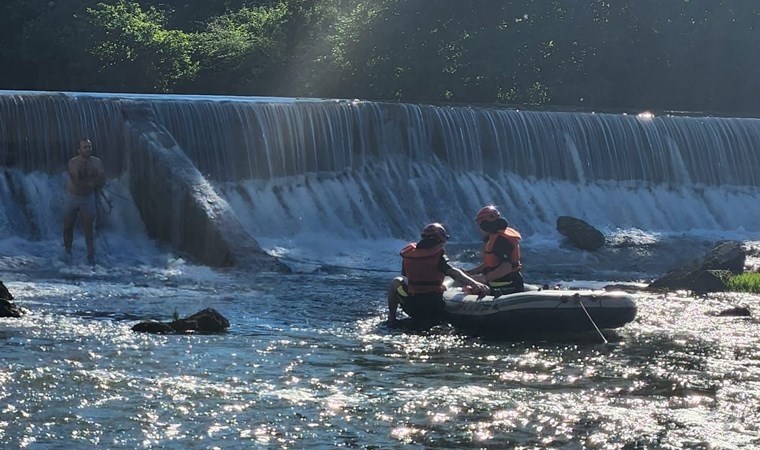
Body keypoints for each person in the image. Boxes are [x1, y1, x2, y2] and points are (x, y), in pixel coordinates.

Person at [387, 223, 489, 325]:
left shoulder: (409, 254)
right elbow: (453, 272)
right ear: (440, 239)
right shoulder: (438, 255)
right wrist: (475, 284)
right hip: (434, 306)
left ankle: (392, 318)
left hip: (411, 306)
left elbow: (406, 276)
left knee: (396, 281)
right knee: (444, 285)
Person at [63, 138, 105, 264]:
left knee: (89, 228)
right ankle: (68, 252)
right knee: (68, 226)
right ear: (79, 150)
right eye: (85, 147)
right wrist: (93, 184)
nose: (88, 149)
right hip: (73, 198)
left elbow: (102, 178)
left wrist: (97, 184)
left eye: (89, 147)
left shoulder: (96, 162)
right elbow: (76, 181)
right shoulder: (73, 163)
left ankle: (90, 256)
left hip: (88, 199)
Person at [466, 205, 525, 296]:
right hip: (500, 282)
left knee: (471, 291)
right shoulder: (493, 237)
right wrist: (470, 273)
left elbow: (507, 267)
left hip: (510, 285)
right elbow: (491, 263)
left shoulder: (500, 240)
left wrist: (484, 278)